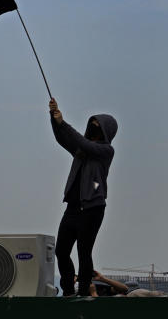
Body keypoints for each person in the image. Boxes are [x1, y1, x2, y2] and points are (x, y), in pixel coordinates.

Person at [49, 98, 118, 297]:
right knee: (61, 250)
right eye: (92, 125)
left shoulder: (105, 151)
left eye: (97, 127)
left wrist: (63, 123)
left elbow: (81, 142)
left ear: (106, 132)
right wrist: (54, 118)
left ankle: (84, 291)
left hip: (92, 208)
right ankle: (69, 290)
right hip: (72, 207)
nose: (93, 128)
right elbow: (63, 138)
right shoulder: (82, 150)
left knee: (83, 252)